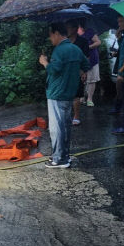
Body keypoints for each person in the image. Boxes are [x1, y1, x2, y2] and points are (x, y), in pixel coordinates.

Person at [39, 22, 91, 168]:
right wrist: (76, 75)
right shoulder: (75, 49)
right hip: (70, 93)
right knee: (66, 126)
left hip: (57, 93)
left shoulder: (59, 50)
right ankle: (65, 156)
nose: (50, 39)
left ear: (56, 33)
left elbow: (54, 70)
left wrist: (44, 62)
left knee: (57, 128)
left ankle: (58, 159)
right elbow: (86, 65)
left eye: (50, 35)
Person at [65, 19, 89, 126]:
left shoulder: (83, 42)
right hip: (66, 71)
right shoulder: (64, 41)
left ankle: (76, 116)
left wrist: (84, 71)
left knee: (76, 95)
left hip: (78, 71)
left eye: (68, 28)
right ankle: (67, 115)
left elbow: (86, 58)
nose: (66, 30)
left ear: (75, 29)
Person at [79, 22, 101, 107]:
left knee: (91, 79)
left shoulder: (89, 32)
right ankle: (82, 97)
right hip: (81, 60)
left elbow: (98, 42)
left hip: (92, 59)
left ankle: (89, 99)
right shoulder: (74, 34)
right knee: (81, 79)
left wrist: (88, 47)